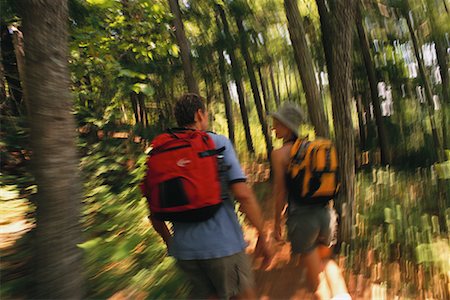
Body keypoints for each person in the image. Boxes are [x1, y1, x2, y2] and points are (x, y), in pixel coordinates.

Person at [147, 93, 273, 299]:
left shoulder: (160, 151)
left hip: (186, 254)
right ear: (199, 114)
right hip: (223, 247)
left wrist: (172, 243)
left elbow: (153, 210)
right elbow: (243, 194)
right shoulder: (217, 143)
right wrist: (263, 235)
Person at [269, 102, 350, 300]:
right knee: (327, 263)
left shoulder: (279, 154)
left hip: (303, 221)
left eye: (277, 124)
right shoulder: (311, 148)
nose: (273, 128)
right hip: (326, 217)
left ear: (287, 127)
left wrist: (276, 223)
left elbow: (280, 192)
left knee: (317, 284)